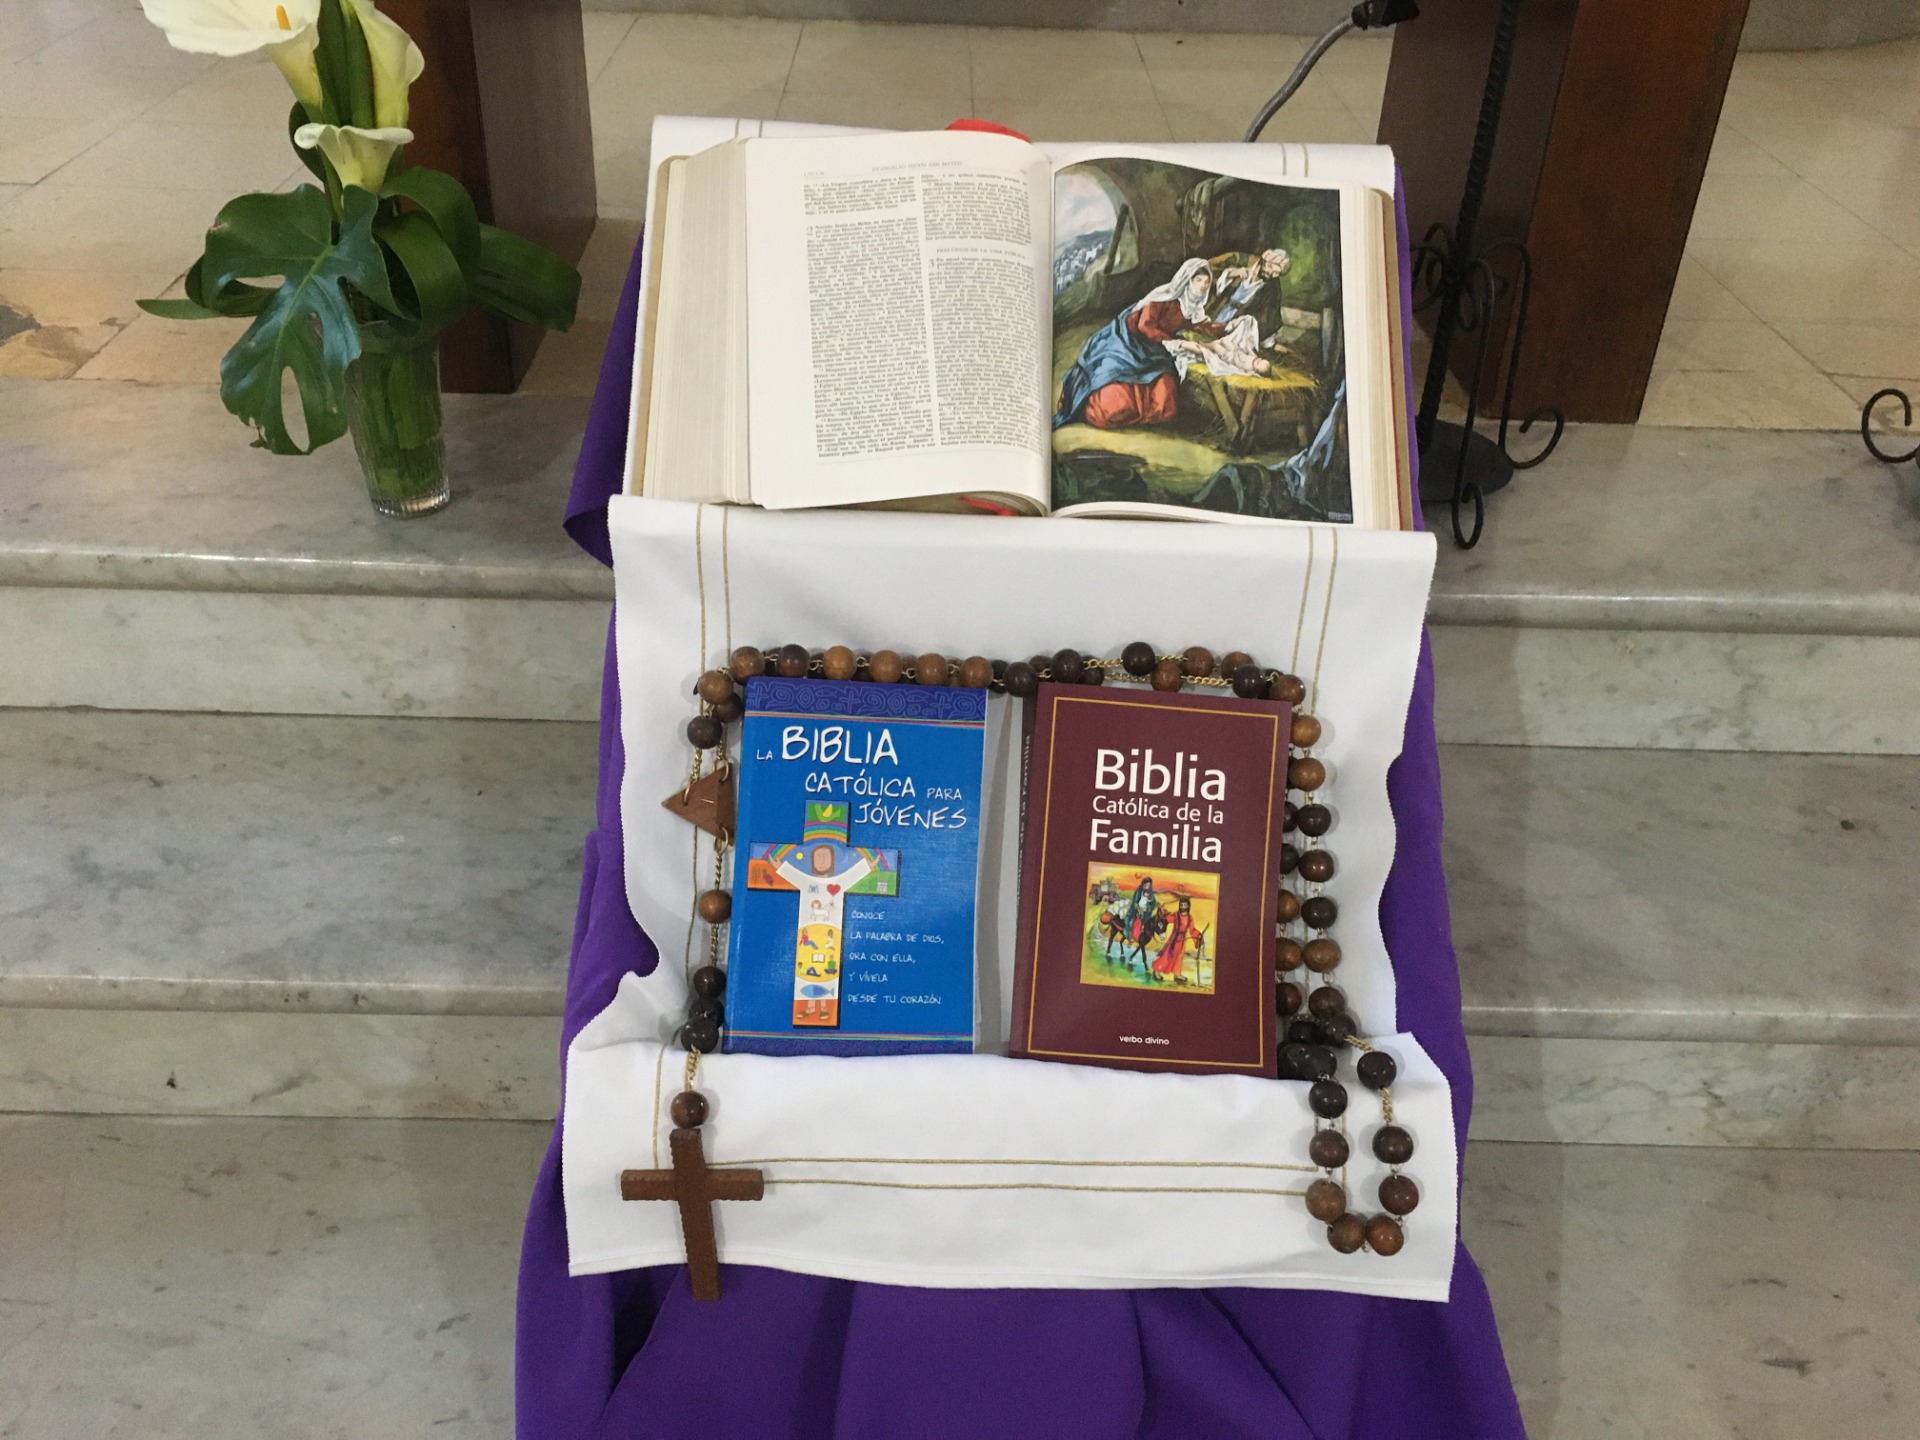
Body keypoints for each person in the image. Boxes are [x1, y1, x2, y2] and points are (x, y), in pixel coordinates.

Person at [1053, 259, 1223, 430]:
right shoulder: (1163, 298)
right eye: (1198, 280)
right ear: (1187, 280)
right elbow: (1144, 326)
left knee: (1165, 406)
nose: (1202, 286)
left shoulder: (1192, 307)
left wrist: (1227, 327)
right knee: (1113, 404)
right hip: (1128, 342)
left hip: (1156, 351)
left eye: (1206, 282)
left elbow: (1201, 326)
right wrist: (1175, 342)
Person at [1151, 894, 1198, 983]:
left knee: (1179, 958)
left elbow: (1192, 930)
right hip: (1174, 940)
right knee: (1167, 956)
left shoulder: (1190, 918)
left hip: (1182, 941)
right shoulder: (1176, 915)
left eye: (1185, 905)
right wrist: (1162, 912)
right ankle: (1156, 970)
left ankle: (1177, 974)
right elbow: (1167, 918)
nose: (1183, 907)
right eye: (1181, 905)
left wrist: (1198, 937)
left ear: (1188, 906)